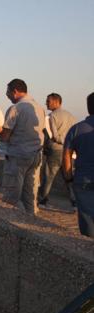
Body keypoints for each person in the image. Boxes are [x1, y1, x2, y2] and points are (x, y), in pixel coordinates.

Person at [0, 79, 46, 215]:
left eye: (8, 93)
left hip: (18, 156)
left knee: (12, 196)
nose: (7, 96)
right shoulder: (39, 107)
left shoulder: (16, 108)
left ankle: (13, 224)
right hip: (35, 155)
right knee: (30, 195)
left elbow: (5, 137)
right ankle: (31, 220)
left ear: (15, 91)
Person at [62, 92, 94, 237]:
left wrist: (68, 176)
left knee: (87, 220)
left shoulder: (76, 129)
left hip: (83, 180)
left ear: (88, 107)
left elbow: (66, 154)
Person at [39, 93, 77, 208]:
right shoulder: (71, 116)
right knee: (68, 178)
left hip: (56, 150)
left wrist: (61, 141)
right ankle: (74, 202)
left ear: (56, 102)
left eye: (48, 101)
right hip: (69, 151)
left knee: (48, 176)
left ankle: (43, 201)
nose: (46, 103)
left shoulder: (51, 116)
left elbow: (54, 136)